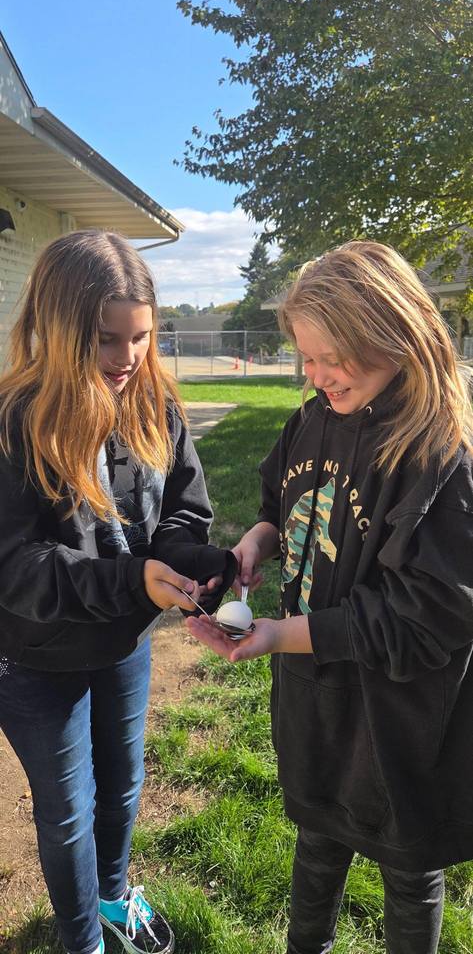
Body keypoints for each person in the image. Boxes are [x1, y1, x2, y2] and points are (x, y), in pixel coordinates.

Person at [187, 240, 473, 954]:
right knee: (317, 841)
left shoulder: (440, 457)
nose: (312, 376)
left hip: (402, 716)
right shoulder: (311, 418)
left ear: (389, 334)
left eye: (327, 358)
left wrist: (280, 635)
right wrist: (257, 539)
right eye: (303, 358)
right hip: (316, 697)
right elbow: (280, 500)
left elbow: (427, 615)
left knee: (409, 870)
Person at [0, 230, 236, 954]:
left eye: (140, 338)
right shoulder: (15, 422)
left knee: (123, 787)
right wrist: (129, 579)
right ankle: (83, 943)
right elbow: (17, 567)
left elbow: (179, 514)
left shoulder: (152, 402)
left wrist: (200, 561)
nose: (127, 359)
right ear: (59, 326)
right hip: (37, 660)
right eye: (107, 340)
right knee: (67, 811)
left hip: (124, 642)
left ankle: (111, 899)